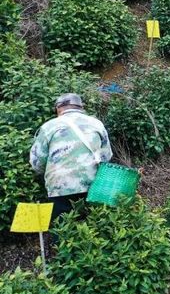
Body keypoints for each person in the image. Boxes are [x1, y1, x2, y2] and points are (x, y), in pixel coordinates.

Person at [29, 93, 112, 223]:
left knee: (65, 229)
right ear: (81, 107)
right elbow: (106, 156)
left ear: (58, 108)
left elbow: (37, 162)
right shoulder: (96, 124)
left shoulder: (48, 127)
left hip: (60, 187)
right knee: (93, 226)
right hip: (94, 185)